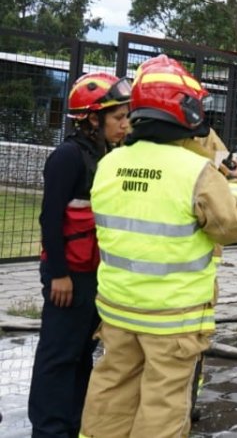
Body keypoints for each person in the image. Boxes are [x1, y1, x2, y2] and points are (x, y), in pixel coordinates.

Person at [78, 55, 237, 438]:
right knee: (161, 404)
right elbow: (235, 225)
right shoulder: (195, 172)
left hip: (118, 309)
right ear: (182, 108)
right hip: (172, 318)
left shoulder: (110, 164)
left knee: (111, 392)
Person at [28, 72, 131, 438]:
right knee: (58, 356)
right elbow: (49, 218)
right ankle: (49, 429)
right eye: (118, 117)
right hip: (67, 275)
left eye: (126, 116)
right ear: (92, 118)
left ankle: (74, 425)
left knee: (82, 353)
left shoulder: (108, 155)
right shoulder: (67, 157)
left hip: (94, 275)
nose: (125, 124)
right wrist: (58, 274)